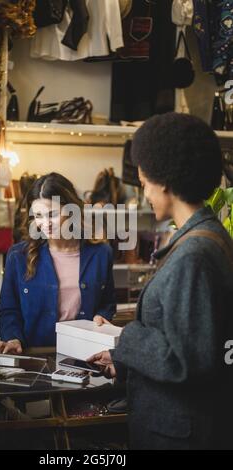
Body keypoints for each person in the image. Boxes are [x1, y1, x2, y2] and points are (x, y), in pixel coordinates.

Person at [88, 112, 233, 450]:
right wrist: (123, 362)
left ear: (164, 179)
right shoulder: (206, 237)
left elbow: (188, 362)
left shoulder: (193, 255)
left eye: (144, 180)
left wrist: (127, 337)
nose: (144, 190)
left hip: (180, 435)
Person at [0, 173, 116, 354]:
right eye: (38, 216)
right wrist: (12, 337)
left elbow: (107, 303)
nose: (45, 224)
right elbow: (8, 309)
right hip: (33, 357)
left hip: (87, 356)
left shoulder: (101, 253)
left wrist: (102, 316)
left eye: (53, 214)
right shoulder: (19, 255)